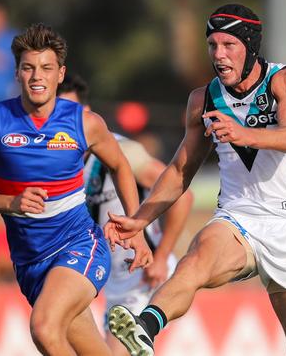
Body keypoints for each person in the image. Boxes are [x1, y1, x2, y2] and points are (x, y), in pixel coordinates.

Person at [105, 4, 286, 356]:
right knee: (198, 257)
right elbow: (179, 171)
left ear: (250, 47)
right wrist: (139, 219)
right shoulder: (202, 100)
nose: (218, 55)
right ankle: (144, 328)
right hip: (238, 219)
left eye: (229, 45)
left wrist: (243, 134)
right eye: (212, 46)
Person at [0, 23, 153, 355]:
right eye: (28, 68)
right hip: (30, 260)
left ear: (60, 74)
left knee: (44, 328)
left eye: (46, 68)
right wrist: (10, 202)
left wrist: (135, 226)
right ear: (17, 73)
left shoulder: (85, 122)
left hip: (79, 244)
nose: (37, 76)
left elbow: (121, 166)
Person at [57, 73, 194, 355]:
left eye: (70, 111)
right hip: (111, 280)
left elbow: (183, 195)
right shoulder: (54, 157)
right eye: (56, 112)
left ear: (87, 113)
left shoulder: (121, 152)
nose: (63, 120)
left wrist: (160, 257)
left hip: (142, 275)